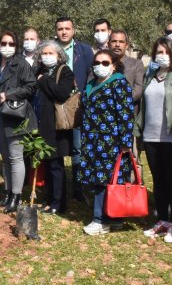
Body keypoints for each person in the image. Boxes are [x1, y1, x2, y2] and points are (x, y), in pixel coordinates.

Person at [135, 37, 172, 243]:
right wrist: (139, 132)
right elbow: (142, 107)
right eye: (159, 52)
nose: (162, 56)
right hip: (151, 137)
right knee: (158, 180)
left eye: (166, 52)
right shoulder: (150, 76)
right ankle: (161, 220)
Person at [79, 50, 134, 235]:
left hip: (111, 140)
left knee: (105, 179)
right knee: (101, 178)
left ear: (114, 65)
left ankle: (100, 219)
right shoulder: (91, 84)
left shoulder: (119, 83)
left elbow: (125, 114)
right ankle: (114, 217)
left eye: (105, 63)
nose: (100, 66)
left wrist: (126, 141)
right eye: (97, 62)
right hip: (92, 139)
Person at [0, 31, 36, 213]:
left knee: (16, 157)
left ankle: (16, 196)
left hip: (15, 114)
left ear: (16, 46)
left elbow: (31, 86)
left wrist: (8, 94)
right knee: (6, 158)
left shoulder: (21, 64)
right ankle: (8, 193)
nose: (6, 47)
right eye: (3, 43)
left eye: (11, 44)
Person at [33, 40, 75, 215]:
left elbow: (61, 93)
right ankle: (49, 199)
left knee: (56, 165)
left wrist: (43, 81)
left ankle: (59, 202)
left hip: (56, 126)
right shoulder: (39, 71)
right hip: (41, 124)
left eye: (51, 53)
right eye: (44, 53)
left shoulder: (64, 71)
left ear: (59, 56)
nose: (47, 56)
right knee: (47, 164)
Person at [55, 16, 94, 202]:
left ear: (73, 30)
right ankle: (58, 188)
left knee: (78, 148)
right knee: (58, 147)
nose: (64, 32)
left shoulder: (84, 50)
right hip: (57, 104)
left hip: (78, 105)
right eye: (60, 29)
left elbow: (91, 75)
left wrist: (84, 95)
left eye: (67, 28)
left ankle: (78, 189)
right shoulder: (51, 50)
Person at [109, 30, 144, 110]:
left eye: (121, 42)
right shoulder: (100, 63)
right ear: (108, 44)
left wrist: (116, 102)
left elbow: (138, 91)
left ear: (127, 45)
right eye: (114, 41)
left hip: (128, 112)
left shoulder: (136, 64)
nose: (117, 45)